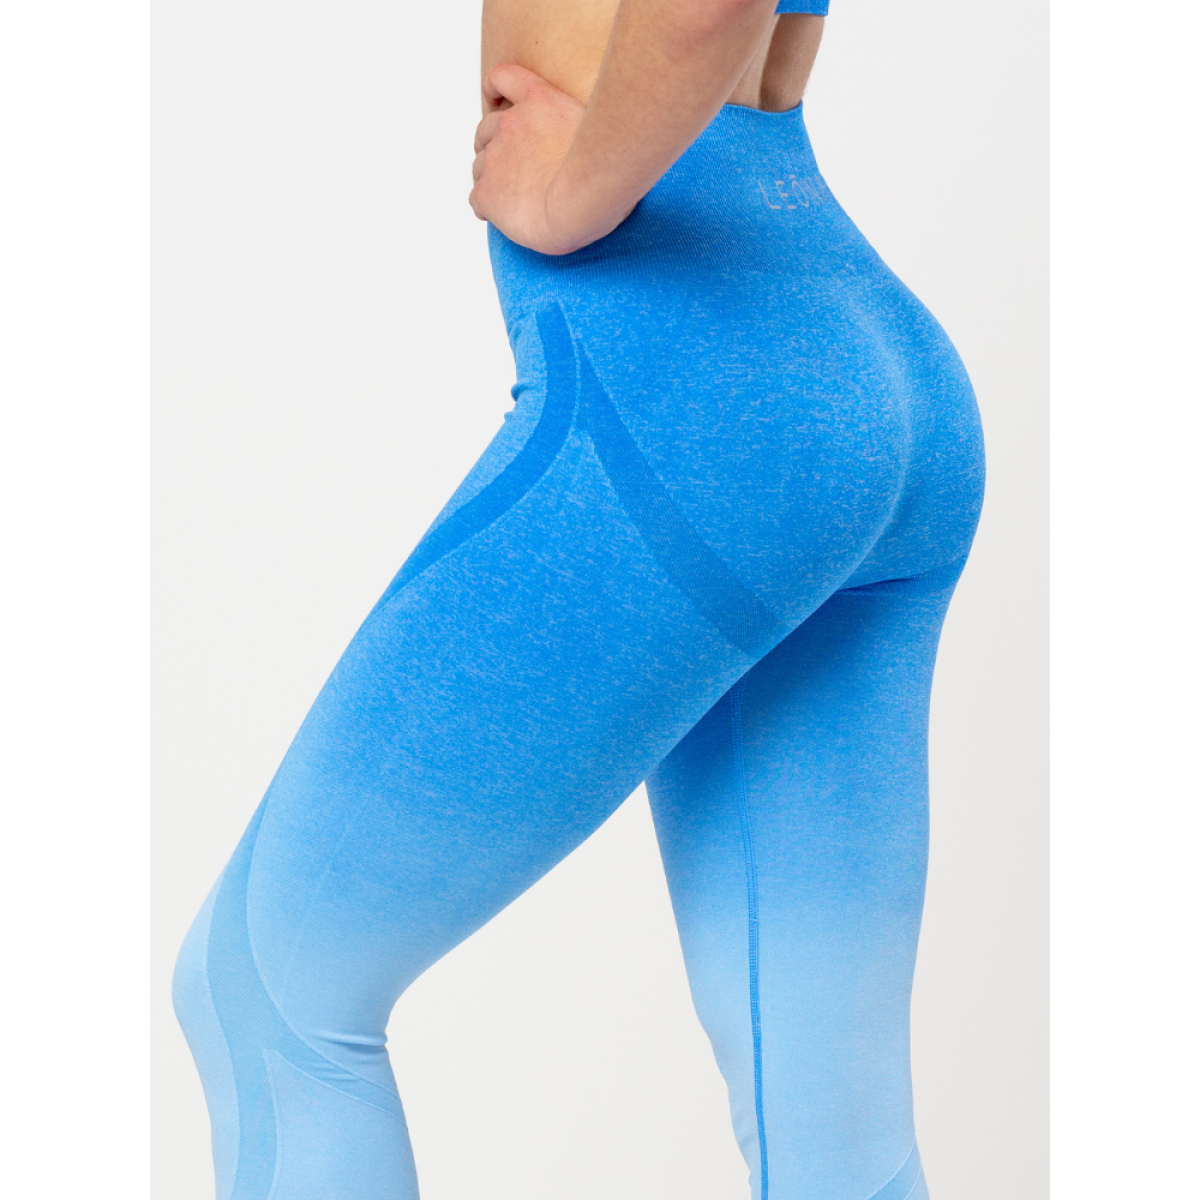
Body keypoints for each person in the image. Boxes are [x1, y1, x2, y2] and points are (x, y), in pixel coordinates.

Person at [172, 0, 985, 1196]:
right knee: (829, 1123)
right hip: (852, 348)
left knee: (273, 999)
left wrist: (567, 198)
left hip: (696, 395)